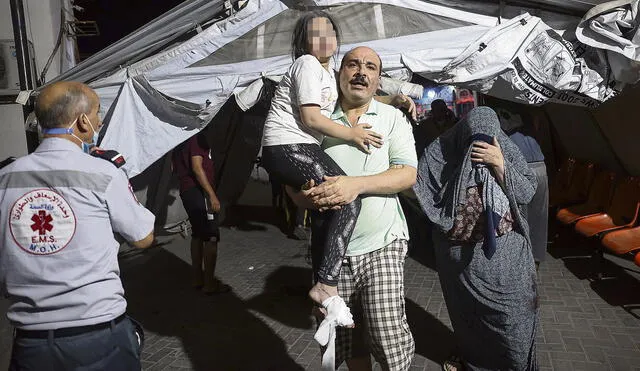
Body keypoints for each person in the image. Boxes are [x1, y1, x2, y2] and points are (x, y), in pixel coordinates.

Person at [260, 11, 412, 318]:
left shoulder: (328, 76)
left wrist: (393, 99)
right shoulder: (307, 65)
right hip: (286, 144)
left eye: (328, 32)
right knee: (347, 200)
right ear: (303, 41)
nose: (323, 39)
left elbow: (356, 98)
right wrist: (353, 134)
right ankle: (326, 286)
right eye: (314, 34)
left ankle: (324, 286)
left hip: (378, 240)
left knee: (337, 203)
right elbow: (311, 118)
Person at [0, 81, 155, 370]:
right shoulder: (103, 172)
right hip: (98, 335)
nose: (99, 122)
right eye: (97, 114)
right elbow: (144, 237)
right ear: (82, 121)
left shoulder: (5, 177)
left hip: (30, 343)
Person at [289, 46, 417, 371]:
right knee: (346, 338)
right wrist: (305, 197)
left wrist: (354, 185)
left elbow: (407, 173)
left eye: (370, 67)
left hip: (383, 243)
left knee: (388, 335)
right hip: (331, 253)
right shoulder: (315, 120)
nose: (361, 72)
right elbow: (291, 186)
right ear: (339, 73)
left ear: (377, 80)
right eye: (353, 65)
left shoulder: (392, 119)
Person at [414, 107, 538, 370]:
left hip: (508, 256)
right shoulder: (443, 152)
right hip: (462, 263)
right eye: (474, 138)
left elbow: (526, 191)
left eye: (487, 136)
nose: (479, 146)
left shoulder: (506, 151)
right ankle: (476, 361)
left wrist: (500, 164)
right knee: (470, 321)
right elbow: (422, 185)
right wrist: (448, 213)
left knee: (513, 322)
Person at [172, 130, 228, 294]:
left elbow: (173, 167)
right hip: (199, 192)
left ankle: (197, 279)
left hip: (186, 191)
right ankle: (210, 284)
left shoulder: (179, 141)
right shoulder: (197, 139)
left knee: (197, 235)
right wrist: (211, 195)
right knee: (211, 237)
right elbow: (197, 168)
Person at [498, 108, 549, 268]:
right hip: (538, 165)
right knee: (537, 216)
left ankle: (525, 260)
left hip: (523, 167)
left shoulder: (504, 114)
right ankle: (533, 260)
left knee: (522, 217)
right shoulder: (531, 111)